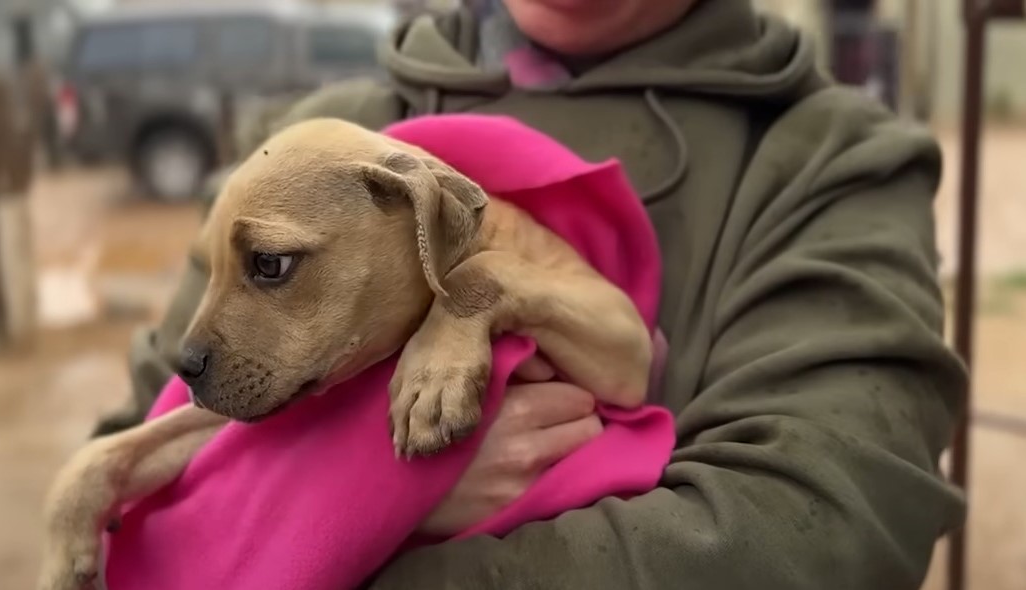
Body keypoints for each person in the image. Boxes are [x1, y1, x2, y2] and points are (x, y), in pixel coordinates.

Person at [96, 0, 968, 587]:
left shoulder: (827, 158)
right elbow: (119, 493)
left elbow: (818, 530)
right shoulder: (321, 134)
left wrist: (297, 549)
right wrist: (367, 485)